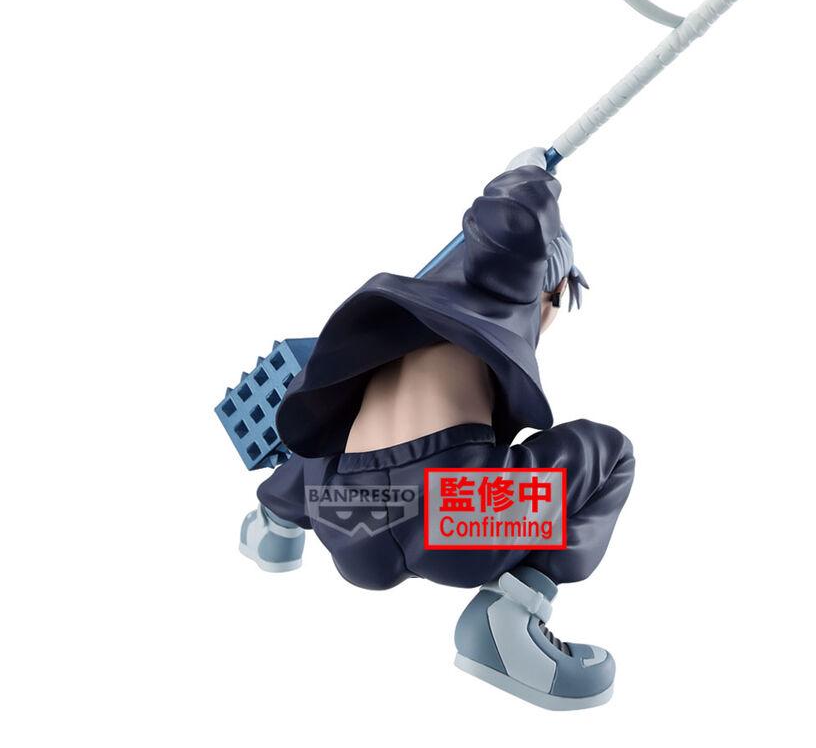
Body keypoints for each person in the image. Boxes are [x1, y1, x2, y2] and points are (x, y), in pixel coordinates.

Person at [239, 148, 635, 709]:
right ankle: (508, 620)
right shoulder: (511, 286)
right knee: (608, 452)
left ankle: (272, 525)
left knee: (337, 427)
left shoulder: (393, 331)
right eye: (556, 301)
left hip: (348, 523)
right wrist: (529, 177)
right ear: (547, 286)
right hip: (454, 515)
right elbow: (516, 222)